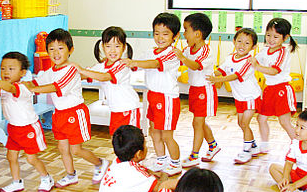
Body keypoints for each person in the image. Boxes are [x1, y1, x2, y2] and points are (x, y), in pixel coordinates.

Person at [27, 28, 109, 188]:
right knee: (62, 148)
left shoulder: (72, 69)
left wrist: (33, 89)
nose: (56, 53)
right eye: (51, 49)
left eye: (60, 48)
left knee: (76, 149)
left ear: (70, 50)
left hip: (75, 113)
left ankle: (100, 163)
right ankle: (71, 175)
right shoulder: (51, 71)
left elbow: (56, 87)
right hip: (60, 114)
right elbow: (37, 82)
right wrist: (21, 84)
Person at [0, 52, 54, 192]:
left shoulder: (22, 87)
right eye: (3, 68)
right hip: (13, 128)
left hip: (28, 127)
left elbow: (10, 88)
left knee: (31, 158)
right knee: (11, 157)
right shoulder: (1, 88)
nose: (5, 72)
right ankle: (17, 182)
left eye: (11, 69)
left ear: (22, 72)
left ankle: (46, 178)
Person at [123, 13, 183, 176]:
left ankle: (175, 163)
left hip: (167, 98)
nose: (160, 37)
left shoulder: (173, 53)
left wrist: (134, 62)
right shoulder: (150, 51)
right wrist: (127, 63)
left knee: (167, 134)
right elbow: (139, 65)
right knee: (153, 130)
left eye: (165, 34)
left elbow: (155, 64)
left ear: (175, 36)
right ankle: (161, 159)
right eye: (156, 33)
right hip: (153, 96)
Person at [207, 28, 262, 164]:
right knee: (241, 123)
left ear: (254, 47)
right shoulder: (230, 57)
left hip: (251, 97)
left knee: (244, 123)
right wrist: (213, 74)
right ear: (234, 41)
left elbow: (235, 76)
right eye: (239, 41)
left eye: (247, 43)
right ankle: (253, 145)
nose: (242, 45)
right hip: (239, 97)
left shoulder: (249, 61)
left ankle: (246, 151)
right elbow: (221, 69)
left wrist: (217, 80)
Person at [73, 26, 141, 135]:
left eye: (117, 46)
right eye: (108, 46)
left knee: (130, 143)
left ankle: (141, 150)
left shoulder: (122, 65)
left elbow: (105, 77)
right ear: (103, 47)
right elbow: (83, 75)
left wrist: (81, 70)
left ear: (124, 48)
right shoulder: (100, 66)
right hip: (115, 111)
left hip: (128, 109)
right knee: (116, 140)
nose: (113, 50)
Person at [173, 13, 220, 168]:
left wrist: (183, 58)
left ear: (198, 34)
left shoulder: (206, 51)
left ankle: (194, 155)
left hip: (204, 91)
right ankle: (213, 145)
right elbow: (179, 60)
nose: (184, 34)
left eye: (186, 30)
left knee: (197, 122)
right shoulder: (189, 49)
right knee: (199, 122)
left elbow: (196, 65)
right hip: (195, 90)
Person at [98, 125, 162, 192]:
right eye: (145, 145)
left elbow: (140, 171)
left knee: (149, 184)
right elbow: (159, 187)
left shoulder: (117, 161)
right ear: (138, 154)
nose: (147, 147)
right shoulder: (133, 173)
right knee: (153, 191)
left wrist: (152, 173)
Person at [250, 18, 298, 151]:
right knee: (261, 118)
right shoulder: (265, 50)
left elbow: (273, 71)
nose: (271, 39)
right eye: (268, 35)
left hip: (282, 89)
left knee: (284, 122)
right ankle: (264, 146)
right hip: (269, 90)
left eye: (276, 36)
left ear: (285, 37)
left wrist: (256, 66)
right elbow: (253, 61)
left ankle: (298, 146)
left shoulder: (283, 52)